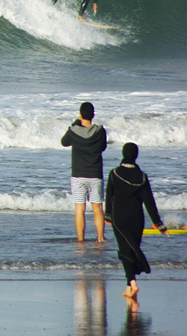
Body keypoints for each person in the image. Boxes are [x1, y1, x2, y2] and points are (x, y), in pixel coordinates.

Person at [105, 143, 169, 300]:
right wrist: (158, 224)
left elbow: (108, 196)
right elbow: (149, 202)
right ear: (136, 156)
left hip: (119, 217)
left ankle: (133, 283)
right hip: (137, 218)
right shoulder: (142, 176)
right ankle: (128, 287)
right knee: (131, 249)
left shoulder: (114, 173)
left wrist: (107, 215)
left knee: (125, 251)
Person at [61, 102, 107, 242]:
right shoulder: (100, 131)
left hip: (78, 174)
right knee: (97, 207)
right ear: (93, 115)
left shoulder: (73, 131)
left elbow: (64, 142)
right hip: (95, 173)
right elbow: (103, 147)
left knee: (79, 209)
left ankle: (80, 240)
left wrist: (76, 123)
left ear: (80, 115)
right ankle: (100, 237)